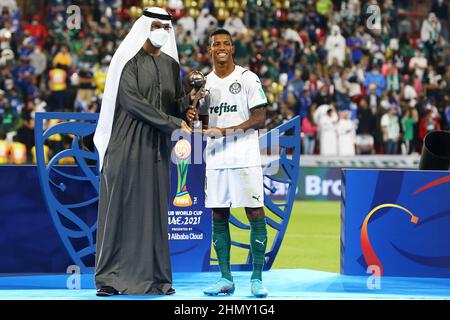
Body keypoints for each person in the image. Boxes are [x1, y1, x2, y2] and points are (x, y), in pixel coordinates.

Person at [93, 7, 195, 296]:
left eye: (167, 26)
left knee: (154, 212)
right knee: (120, 210)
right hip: (125, 144)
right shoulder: (127, 60)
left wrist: (191, 100)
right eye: (157, 25)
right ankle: (110, 279)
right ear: (145, 26)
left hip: (156, 148)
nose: (162, 30)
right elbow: (133, 102)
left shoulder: (171, 67)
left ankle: (157, 279)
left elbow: (173, 104)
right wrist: (174, 123)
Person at [196, 29, 269, 298]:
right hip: (215, 158)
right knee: (218, 215)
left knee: (254, 212)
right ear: (210, 49)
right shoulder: (204, 83)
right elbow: (201, 124)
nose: (221, 47)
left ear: (233, 48)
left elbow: (260, 118)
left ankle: (257, 278)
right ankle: (225, 278)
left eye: (226, 43)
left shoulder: (248, 78)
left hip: (245, 156)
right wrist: (194, 111)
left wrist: (227, 131)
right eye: (217, 44)